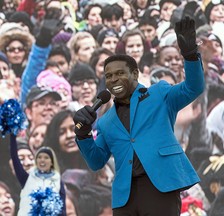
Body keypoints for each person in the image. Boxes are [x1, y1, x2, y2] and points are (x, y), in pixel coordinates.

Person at [73, 17, 204, 215]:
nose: (113, 79)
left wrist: (190, 55)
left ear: (135, 74)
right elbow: (96, 161)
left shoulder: (159, 94)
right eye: (108, 76)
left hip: (159, 185)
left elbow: (193, 87)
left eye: (119, 73)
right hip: (124, 196)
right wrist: (83, 135)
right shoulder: (106, 120)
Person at [9, 135, 66, 215]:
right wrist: (13, 135)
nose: (42, 160)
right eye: (39, 157)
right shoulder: (27, 179)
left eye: (46, 158)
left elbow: (63, 209)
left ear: (52, 162)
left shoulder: (58, 181)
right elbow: (15, 158)